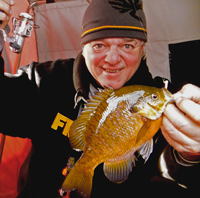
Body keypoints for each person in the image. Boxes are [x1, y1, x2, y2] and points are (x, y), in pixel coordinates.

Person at [0, 0, 200, 197]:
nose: (112, 59)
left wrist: (189, 155)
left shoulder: (160, 102)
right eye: (99, 45)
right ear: (83, 46)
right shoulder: (44, 81)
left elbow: (172, 174)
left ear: (143, 48)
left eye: (128, 46)